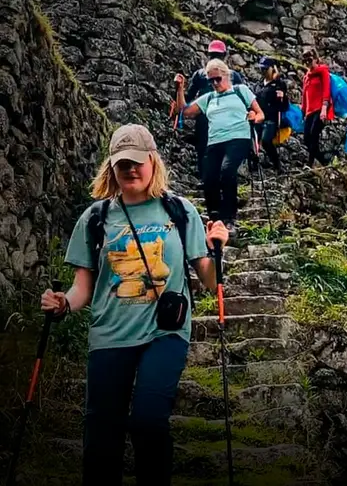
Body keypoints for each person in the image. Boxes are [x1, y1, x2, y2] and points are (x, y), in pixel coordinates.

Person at [39, 123, 230, 486]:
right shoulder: (95, 218)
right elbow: (83, 287)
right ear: (111, 167)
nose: (130, 169)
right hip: (110, 335)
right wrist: (63, 303)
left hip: (165, 332)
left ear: (153, 161)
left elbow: (208, 279)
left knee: (148, 421)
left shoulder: (179, 210)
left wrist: (217, 246)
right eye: (122, 163)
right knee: (101, 437)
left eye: (137, 162)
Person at [172, 59, 264, 233]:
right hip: (215, 141)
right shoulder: (209, 98)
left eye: (217, 79)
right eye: (211, 80)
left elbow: (260, 114)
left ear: (226, 75)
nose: (214, 83)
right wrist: (180, 89)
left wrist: (254, 117)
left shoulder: (240, 91)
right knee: (209, 178)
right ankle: (215, 218)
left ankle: (229, 219)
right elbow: (184, 111)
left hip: (239, 137)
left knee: (227, 171)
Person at [176, 40, 246, 185]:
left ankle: (206, 179)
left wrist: (178, 94)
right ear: (225, 56)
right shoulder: (233, 75)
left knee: (204, 148)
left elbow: (189, 97)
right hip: (225, 118)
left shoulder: (200, 74)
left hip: (205, 116)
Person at [253, 57, 290, 174]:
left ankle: (277, 165)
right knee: (254, 141)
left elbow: (284, 106)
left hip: (271, 118)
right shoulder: (258, 85)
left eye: (265, 69)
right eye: (261, 69)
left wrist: (283, 97)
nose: (263, 71)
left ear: (272, 69)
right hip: (258, 117)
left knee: (266, 141)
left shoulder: (279, 84)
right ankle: (254, 166)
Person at [300, 49, 333, 167]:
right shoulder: (306, 77)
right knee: (306, 139)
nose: (308, 63)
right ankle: (324, 159)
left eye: (310, 60)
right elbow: (304, 95)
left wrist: (324, 107)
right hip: (309, 111)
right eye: (305, 61)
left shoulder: (323, 71)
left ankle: (310, 164)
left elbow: (326, 90)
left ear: (315, 59)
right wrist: (302, 111)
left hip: (320, 109)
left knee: (314, 135)